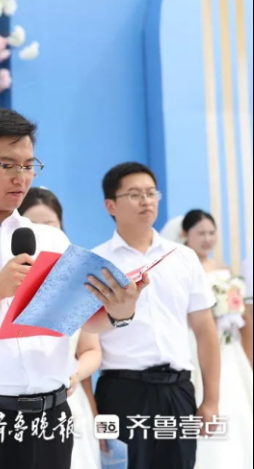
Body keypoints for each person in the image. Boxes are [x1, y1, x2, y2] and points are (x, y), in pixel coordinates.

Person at [0, 108, 144, 469]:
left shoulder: (52, 239)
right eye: (7, 165)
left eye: (29, 165)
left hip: (50, 418)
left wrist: (120, 311)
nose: (21, 177)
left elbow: (81, 322)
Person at [92, 163, 221, 469]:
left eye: (151, 193)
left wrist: (211, 400)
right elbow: (85, 338)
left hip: (178, 391)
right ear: (110, 205)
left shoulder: (183, 257)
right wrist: (93, 415)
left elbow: (205, 331)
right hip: (122, 392)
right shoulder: (97, 262)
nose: (146, 201)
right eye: (135, 194)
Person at [19, 187, 102, 469]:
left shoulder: (76, 281)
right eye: (33, 225)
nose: (43, 231)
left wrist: (74, 374)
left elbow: (91, 350)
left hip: (67, 402)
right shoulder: (8, 282)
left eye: (49, 224)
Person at [165, 210, 252, 468]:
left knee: (235, 404)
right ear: (185, 234)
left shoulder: (223, 267)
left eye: (211, 233)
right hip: (196, 343)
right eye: (201, 233)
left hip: (229, 347)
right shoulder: (181, 268)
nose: (207, 239)